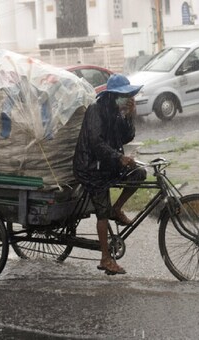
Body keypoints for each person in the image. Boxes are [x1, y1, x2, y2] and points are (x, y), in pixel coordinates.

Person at [73, 74, 147, 275]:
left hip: (107, 163)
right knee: (102, 211)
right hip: (90, 167)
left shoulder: (116, 112)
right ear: (113, 95)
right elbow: (96, 143)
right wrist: (118, 157)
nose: (127, 98)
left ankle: (118, 208)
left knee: (139, 174)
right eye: (124, 96)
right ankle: (105, 258)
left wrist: (129, 115)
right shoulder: (95, 110)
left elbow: (127, 136)